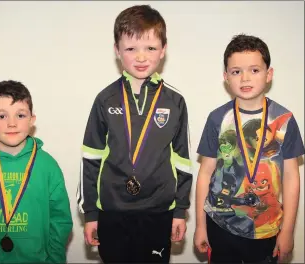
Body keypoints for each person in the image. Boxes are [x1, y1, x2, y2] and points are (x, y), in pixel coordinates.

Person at [77, 5, 193, 263]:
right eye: (131, 48)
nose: (141, 57)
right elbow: (90, 159)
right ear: (117, 51)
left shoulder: (175, 102)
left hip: (159, 211)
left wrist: (180, 210)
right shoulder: (105, 99)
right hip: (113, 211)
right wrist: (91, 214)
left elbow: (183, 160)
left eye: (150, 48)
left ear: (163, 50)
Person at [194, 34, 304, 263]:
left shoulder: (284, 120)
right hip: (220, 224)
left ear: (268, 74)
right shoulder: (217, 119)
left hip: (267, 228)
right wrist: (200, 227)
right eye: (236, 71)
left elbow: (292, 177)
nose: (245, 78)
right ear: (226, 77)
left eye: (254, 70)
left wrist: (288, 231)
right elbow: (205, 174)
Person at [0, 80, 73, 263]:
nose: (12, 124)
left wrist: (55, 260)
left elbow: (60, 221)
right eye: (2, 116)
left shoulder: (48, 166)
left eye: (20, 115)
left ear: (32, 120)